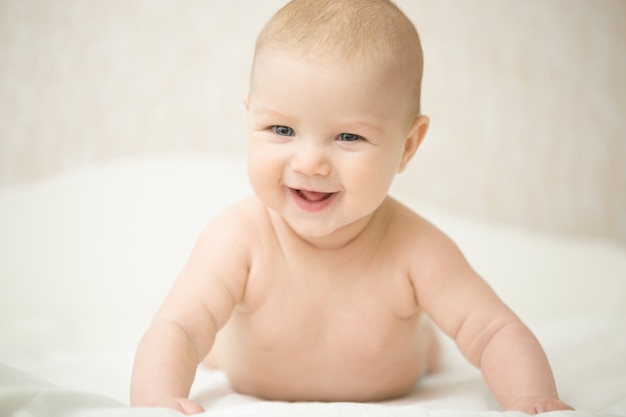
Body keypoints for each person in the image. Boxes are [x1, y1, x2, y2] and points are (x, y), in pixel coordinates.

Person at [130, 0, 573, 414]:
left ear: (407, 146)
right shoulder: (239, 238)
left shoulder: (417, 248)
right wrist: (158, 400)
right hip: (242, 361)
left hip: (404, 368)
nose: (309, 163)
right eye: (281, 128)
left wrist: (534, 399)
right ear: (250, 119)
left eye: (348, 137)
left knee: (430, 343)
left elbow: (495, 331)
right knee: (207, 341)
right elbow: (179, 328)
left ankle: (425, 343)